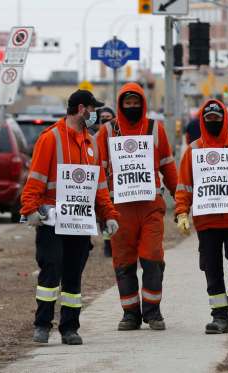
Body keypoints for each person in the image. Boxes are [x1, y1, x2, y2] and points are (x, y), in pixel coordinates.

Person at [21, 90, 120, 345]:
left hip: (79, 222)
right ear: (81, 109)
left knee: (73, 274)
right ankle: (42, 325)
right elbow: (36, 178)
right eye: (92, 109)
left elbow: (99, 186)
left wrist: (108, 214)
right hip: (52, 220)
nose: (95, 114)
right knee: (50, 272)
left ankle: (69, 328)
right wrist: (29, 209)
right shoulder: (50, 138)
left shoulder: (91, 144)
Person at [96, 82, 178, 331]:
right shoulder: (107, 132)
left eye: (136, 103)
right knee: (123, 262)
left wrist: (183, 201)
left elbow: (168, 167)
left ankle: (153, 312)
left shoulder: (155, 129)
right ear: (121, 105)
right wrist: (99, 208)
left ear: (143, 104)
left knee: (153, 256)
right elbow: (97, 171)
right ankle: (130, 314)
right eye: (127, 104)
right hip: (119, 209)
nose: (132, 107)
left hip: (150, 206)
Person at [175, 99, 228, 334]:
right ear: (203, 121)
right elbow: (184, 186)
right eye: (209, 119)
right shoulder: (193, 150)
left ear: (224, 119)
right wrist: (182, 212)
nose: (213, 122)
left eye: (217, 118)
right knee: (211, 268)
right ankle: (220, 316)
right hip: (207, 221)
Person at [96, 106, 116, 257]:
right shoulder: (93, 138)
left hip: (115, 185)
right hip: (100, 184)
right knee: (102, 217)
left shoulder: (118, 137)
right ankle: (108, 244)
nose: (105, 121)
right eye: (102, 118)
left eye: (108, 118)